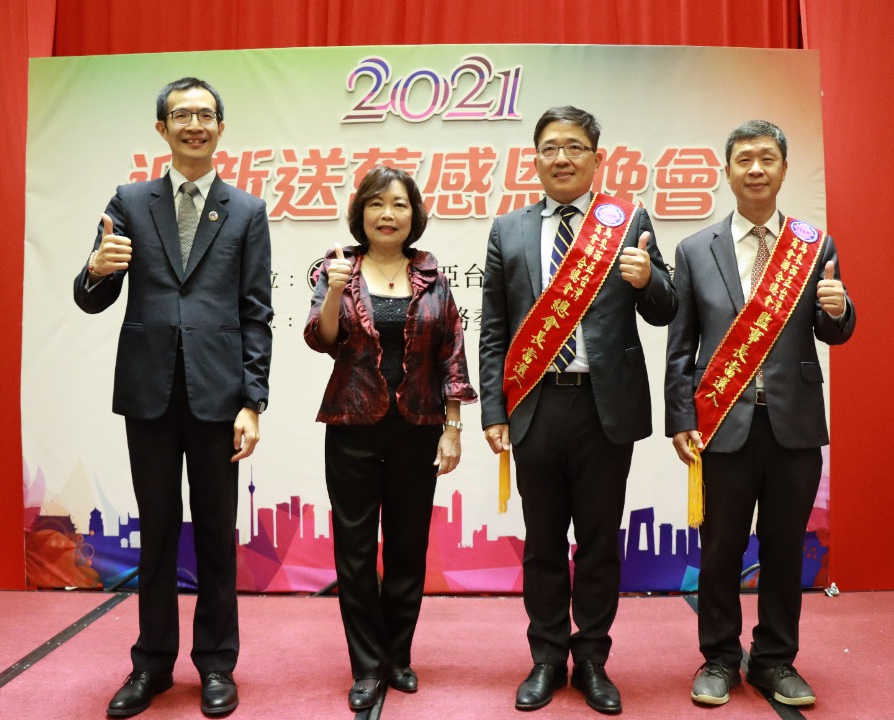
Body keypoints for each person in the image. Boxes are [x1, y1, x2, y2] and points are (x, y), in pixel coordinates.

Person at [74, 77, 272, 717]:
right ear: (161, 128)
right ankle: (152, 665)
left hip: (219, 395)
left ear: (221, 127)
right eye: (181, 114)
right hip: (150, 392)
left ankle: (216, 665)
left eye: (206, 115)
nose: (194, 124)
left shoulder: (246, 211)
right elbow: (91, 293)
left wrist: (253, 400)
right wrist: (96, 270)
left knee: (218, 534)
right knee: (156, 534)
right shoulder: (130, 201)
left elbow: (255, 312)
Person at [479, 106, 678, 715]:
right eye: (548, 148)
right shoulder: (508, 230)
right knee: (542, 542)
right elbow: (494, 329)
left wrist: (647, 280)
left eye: (573, 147)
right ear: (533, 159)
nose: (560, 157)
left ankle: (592, 658)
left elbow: (666, 311)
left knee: (597, 541)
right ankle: (545, 658)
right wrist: (493, 407)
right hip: (536, 408)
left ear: (598, 157)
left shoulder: (626, 221)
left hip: (603, 409)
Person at [665, 119, 856, 707]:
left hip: (793, 423)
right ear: (727, 171)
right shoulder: (696, 249)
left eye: (766, 158)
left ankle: (775, 660)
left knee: (781, 547)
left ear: (783, 169)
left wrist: (839, 308)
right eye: (743, 159)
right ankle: (719, 659)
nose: (755, 168)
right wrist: (681, 418)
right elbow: (681, 344)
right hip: (722, 421)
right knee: (720, 549)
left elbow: (834, 329)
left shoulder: (813, 244)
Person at [304, 165, 477, 713]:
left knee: (407, 548)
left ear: (413, 215)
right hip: (352, 427)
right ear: (361, 213)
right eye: (377, 204)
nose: (387, 214)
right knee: (354, 554)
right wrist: (332, 293)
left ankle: (397, 656)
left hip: (418, 429)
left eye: (399, 204)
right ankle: (365, 666)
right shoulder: (337, 270)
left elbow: (451, 351)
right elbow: (321, 338)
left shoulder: (431, 276)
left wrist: (452, 429)